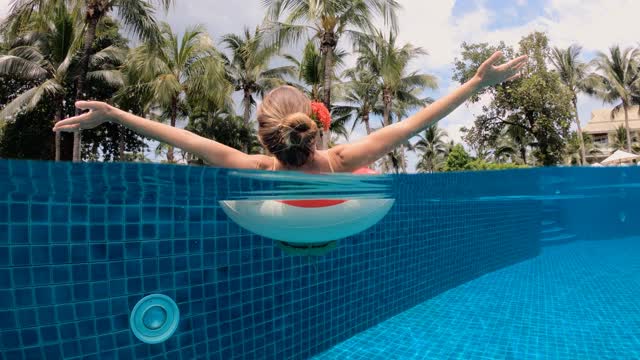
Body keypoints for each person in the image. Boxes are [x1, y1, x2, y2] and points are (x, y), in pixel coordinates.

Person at [53, 51, 527, 173]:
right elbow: (413, 123)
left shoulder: (254, 166)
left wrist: (115, 112)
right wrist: (476, 82)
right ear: (319, 125)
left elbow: (186, 141)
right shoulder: (340, 162)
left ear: (265, 137)